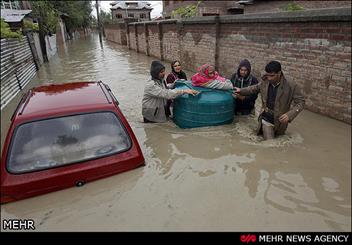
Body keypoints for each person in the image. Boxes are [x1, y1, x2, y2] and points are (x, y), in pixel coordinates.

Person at [234, 61, 305, 140]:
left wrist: (289, 115)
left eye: (272, 76)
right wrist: (240, 90)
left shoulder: (291, 85)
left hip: (280, 120)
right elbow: (253, 88)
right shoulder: (265, 81)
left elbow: (301, 102)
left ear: (279, 73)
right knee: (270, 142)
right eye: (268, 75)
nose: (269, 78)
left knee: (279, 139)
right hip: (266, 117)